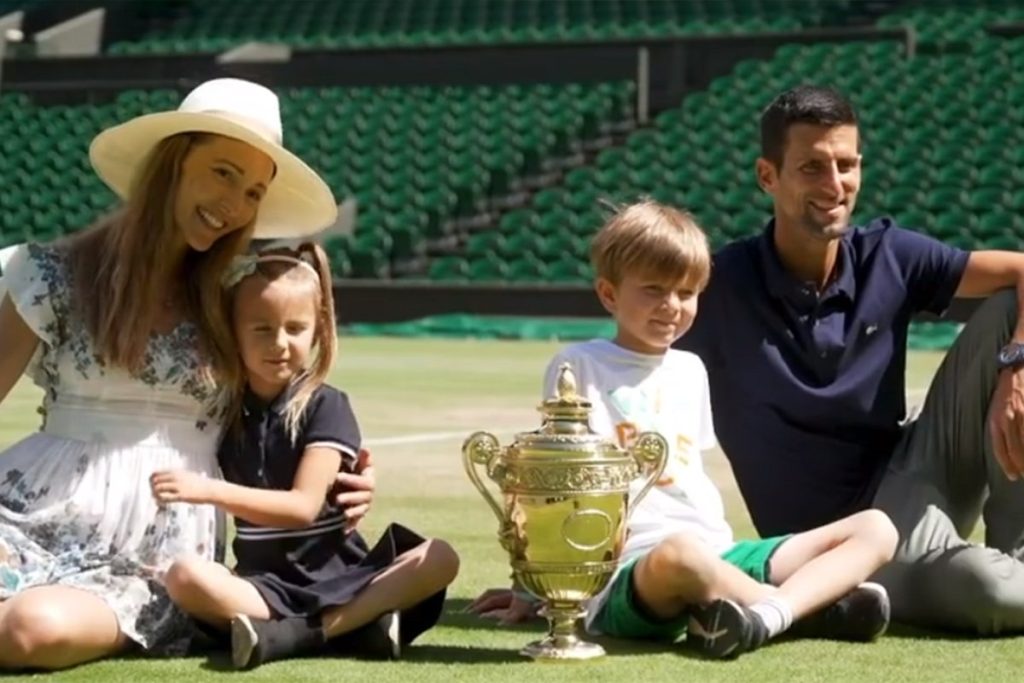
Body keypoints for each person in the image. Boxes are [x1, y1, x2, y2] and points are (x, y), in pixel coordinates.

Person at [0, 77, 350, 669]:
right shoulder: (50, 274)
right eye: (223, 172)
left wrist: (346, 477)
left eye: (253, 191)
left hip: (155, 547)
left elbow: (297, 411)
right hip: (26, 510)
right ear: (173, 162)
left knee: (28, 631)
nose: (236, 204)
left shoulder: (237, 297)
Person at [472, 201, 898, 658]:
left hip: (719, 552)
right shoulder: (579, 366)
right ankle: (807, 610)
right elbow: (555, 487)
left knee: (878, 528)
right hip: (633, 567)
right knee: (681, 554)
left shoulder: (691, 369)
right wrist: (533, 589)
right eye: (654, 290)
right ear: (609, 294)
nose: (672, 306)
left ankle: (761, 613)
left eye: (687, 292)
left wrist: (726, 556)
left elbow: (690, 472)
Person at [677, 84, 1024, 634]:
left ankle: (1019, 546)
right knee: (989, 591)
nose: (834, 185)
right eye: (812, 168)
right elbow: (631, 400)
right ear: (768, 176)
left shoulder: (889, 254)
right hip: (841, 548)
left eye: (846, 165)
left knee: (1011, 307)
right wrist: (560, 578)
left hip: (917, 470)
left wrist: (1017, 366)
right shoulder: (720, 290)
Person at [150, 243, 459, 670]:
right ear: (231, 330)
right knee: (184, 578)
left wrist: (207, 491)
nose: (279, 343)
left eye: (295, 328)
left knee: (440, 556)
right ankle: (358, 629)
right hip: (264, 587)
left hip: (344, 578)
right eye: (261, 328)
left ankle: (304, 634)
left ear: (319, 330)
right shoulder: (220, 409)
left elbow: (303, 508)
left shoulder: (326, 405)